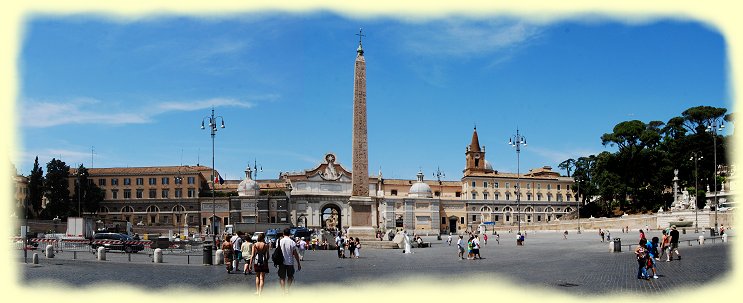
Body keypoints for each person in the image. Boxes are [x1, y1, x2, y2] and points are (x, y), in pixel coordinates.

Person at [278, 228, 301, 294]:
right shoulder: (292, 242)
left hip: (281, 262)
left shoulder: (280, 241)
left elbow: (277, 251)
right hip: (290, 262)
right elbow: (295, 254)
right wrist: (298, 263)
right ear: (289, 234)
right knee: (290, 276)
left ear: (283, 233)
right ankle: (287, 289)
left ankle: (283, 291)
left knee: (282, 277)